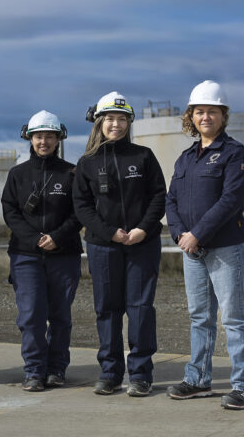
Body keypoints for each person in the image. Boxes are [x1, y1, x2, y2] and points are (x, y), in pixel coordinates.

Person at [165, 80, 244, 410]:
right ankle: (198, 380)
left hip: (225, 248)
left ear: (223, 116)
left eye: (212, 111)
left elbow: (231, 200)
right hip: (192, 250)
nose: (205, 117)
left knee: (234, 318)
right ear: (191, 116)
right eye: (200, 111)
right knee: (199, 317)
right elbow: (171, 200)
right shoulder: (186, 158)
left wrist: (197, 234)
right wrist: (180, 234)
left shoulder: (234, 153)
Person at [73, 92, 166, 397]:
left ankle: (140, 374)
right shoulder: (87, 163)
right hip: (103, 246)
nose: (116, 124)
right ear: (99, 122)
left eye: (122, 119)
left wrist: (143, 229)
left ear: (129, 122)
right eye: (110, 119)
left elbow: (158, 196)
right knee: (108, 310)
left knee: (140, 309)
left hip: (143, 244)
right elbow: (82, 206)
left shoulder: (143, 156)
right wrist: (110, 232)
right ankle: (110, 372)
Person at [1, 110, 83, 392]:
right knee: (31, 316)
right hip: (26, 256)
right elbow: (10, 212)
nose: (43, 141)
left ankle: (56, 369)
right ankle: (34, 371)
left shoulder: (72, 172)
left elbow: (80, 211)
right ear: (29, 138)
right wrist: (35, 239)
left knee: (61, 316)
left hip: (64, 254)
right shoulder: (17, 174)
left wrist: (57, 237)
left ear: (59, 138)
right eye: (38, 136)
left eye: (49, 136)